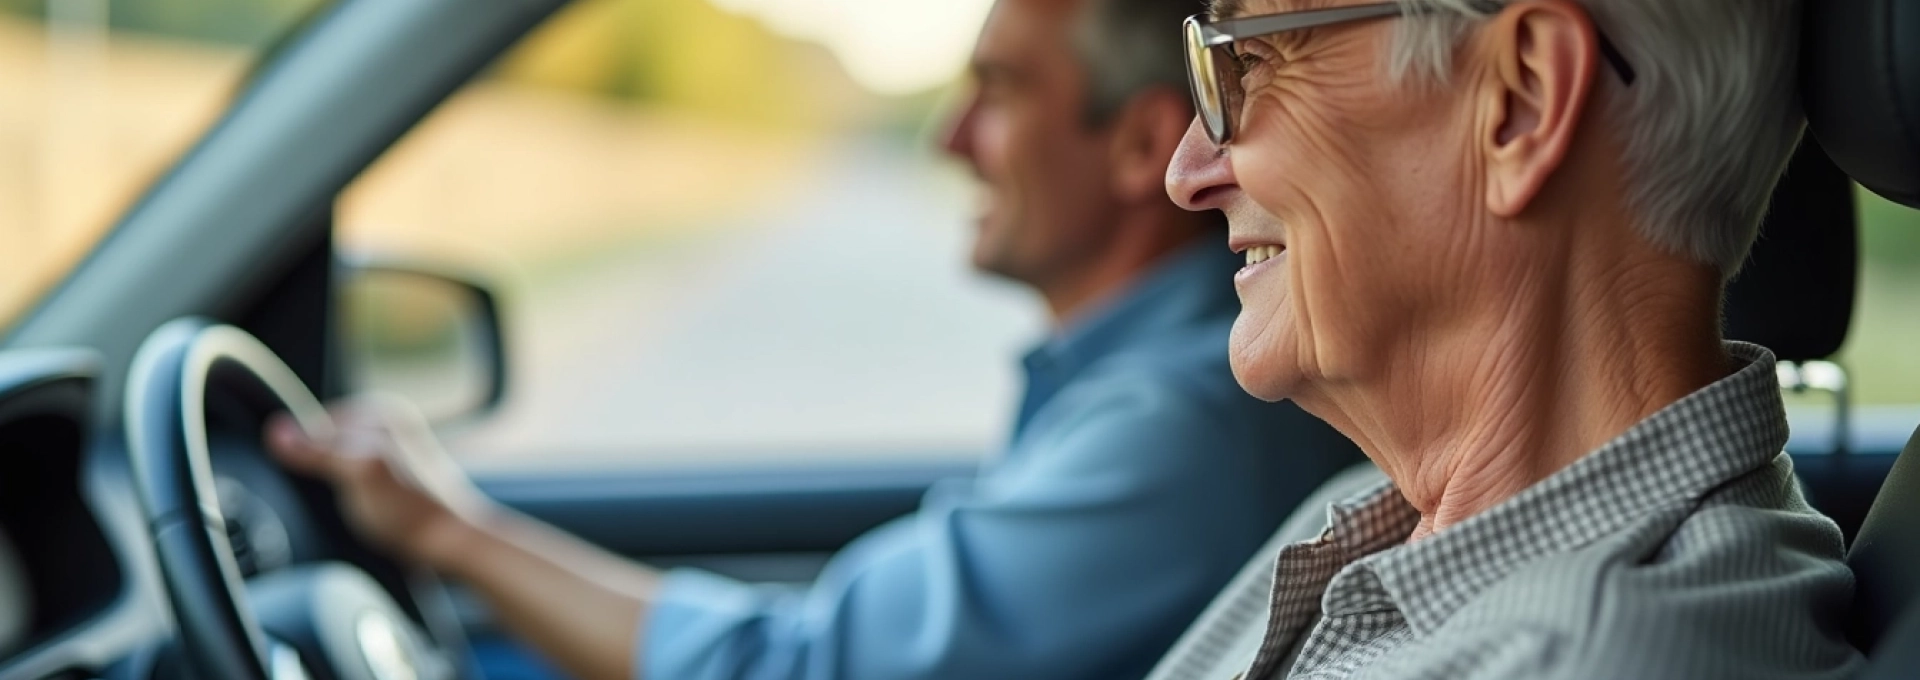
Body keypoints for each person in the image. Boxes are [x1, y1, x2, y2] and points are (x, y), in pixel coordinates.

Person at [265, 0, 1364, 678]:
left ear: (1137, 143)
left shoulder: (1185, 419)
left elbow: (805, 668)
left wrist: (449, 527)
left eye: (997, 92)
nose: (949, 140)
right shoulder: (1143, 384)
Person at [1147, 0, 1864, 678]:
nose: (1187, 175)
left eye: (1254, 62)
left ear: (1524, 101)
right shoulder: (1371, 516)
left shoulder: (1598, 657)